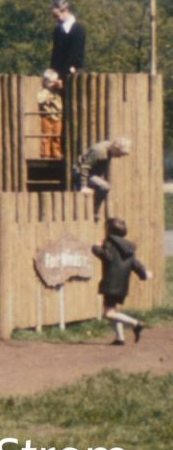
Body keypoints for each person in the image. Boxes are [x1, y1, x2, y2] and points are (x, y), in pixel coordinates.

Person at [92, 217, 152, 345]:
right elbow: (135, 264)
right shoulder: (128, 247)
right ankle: (120, 338)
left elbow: (106, 257)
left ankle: (135, 323)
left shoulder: (109, 242)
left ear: (108, 230)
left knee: (108, 313)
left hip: (111, 283)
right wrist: (144, 274)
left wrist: (96, 247)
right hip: (122, 285)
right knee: (113, 310)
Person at [73, 137, 130, 207]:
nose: (119, 156)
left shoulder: (109, 149)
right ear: (115, 147)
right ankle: (94, 209)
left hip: (91, 174)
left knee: (103, 186)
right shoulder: (99, 151)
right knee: (105, 187)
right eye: (119, 153)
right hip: (80, 173)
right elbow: (84, 167)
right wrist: (83, 186)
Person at [50, 0, 86, 85]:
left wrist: (65, 72)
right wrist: (53, 73)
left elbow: (77, 54)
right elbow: (55, 53)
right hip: (58, 75)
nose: (56, 19)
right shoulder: (57, 31)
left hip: (73, 73)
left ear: (65, 11)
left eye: (57, 16)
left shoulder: (78, 29)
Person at [37, 69, 63, 160]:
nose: (52, 84)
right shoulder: (44, 92)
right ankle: (45, 153)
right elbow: (39, 100)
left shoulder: (57, 92)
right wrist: (49, 97)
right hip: (47, 116)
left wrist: (58, 84)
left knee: (57, 136)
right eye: (49, 82)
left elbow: (61, 86)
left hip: (57, 117)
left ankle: (56, 152)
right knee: (46, 135)